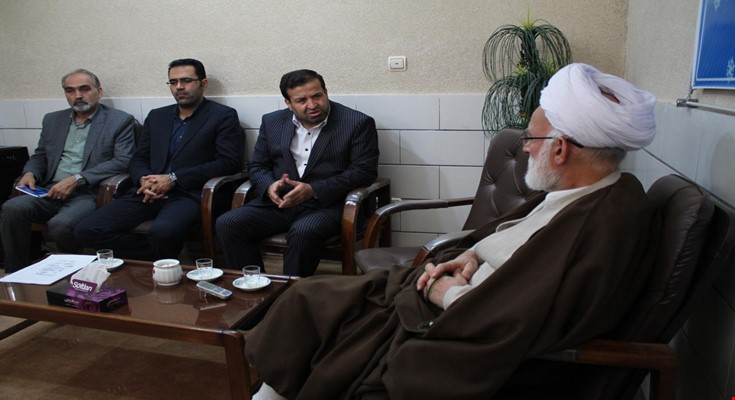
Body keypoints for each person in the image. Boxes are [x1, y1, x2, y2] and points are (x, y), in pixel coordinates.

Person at [244, 63, 660, 399]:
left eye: (531, 138)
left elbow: (526, 317)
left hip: (461, 325)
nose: (525, 147)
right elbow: (518, 242)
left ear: (561, 148)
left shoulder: (602, 223)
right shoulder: (583, 192)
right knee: (310, 299)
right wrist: (471, 254)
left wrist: (449, 295)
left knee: (314, 306)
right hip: (459, 284)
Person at [75, 59, 242, 261]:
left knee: (163, 232)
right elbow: (138, 158)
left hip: (189, 194)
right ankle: (160, 260)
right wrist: (143, 180)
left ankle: (162, 260)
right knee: (87, 229)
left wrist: (173, 178)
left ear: (203, 84)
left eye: (186, 80)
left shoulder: (222, 116)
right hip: (147, 192)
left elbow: (227, 162)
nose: (179, 87)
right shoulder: (157, 116)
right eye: (173, 82)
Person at [216, 69, 379, 276]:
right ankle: (256, 286)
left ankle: (291, 291)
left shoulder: (357, 123)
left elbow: (364, 172)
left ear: (326, 92)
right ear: (288, 103)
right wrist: (269, 186)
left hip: (329, 204)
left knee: (303, 232)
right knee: (228, 223)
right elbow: (258, 165)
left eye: (317, 96)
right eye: (302, 100)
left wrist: (313, 189)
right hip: (281, 202)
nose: (312, 105)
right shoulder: (272, 122)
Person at [0, 69, 135, 273]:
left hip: (87, 193)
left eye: (84, 89)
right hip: (48, 191)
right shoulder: (53, 120)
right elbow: (41, 155)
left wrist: (77, 179)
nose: (77, 95)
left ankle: (72, 272)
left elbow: (123, 161)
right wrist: (30, 173)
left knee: (61, 225)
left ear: (99, 92)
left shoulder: (119, 120)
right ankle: (16, 273)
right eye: (70, 91)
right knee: (12, 208)